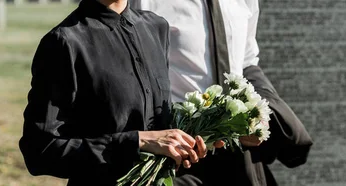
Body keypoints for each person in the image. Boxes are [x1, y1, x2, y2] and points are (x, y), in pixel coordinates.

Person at [18, 0, 210, 185]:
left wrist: (191, 139)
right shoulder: (64, 42)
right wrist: (135, 142)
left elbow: (159, 124)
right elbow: (40, 152)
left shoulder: (156, 27)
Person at [132, 0, 314, 185]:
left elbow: (246, 62)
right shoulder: (139, 3)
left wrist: (260, 115)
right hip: (180, 160)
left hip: (240, 157)